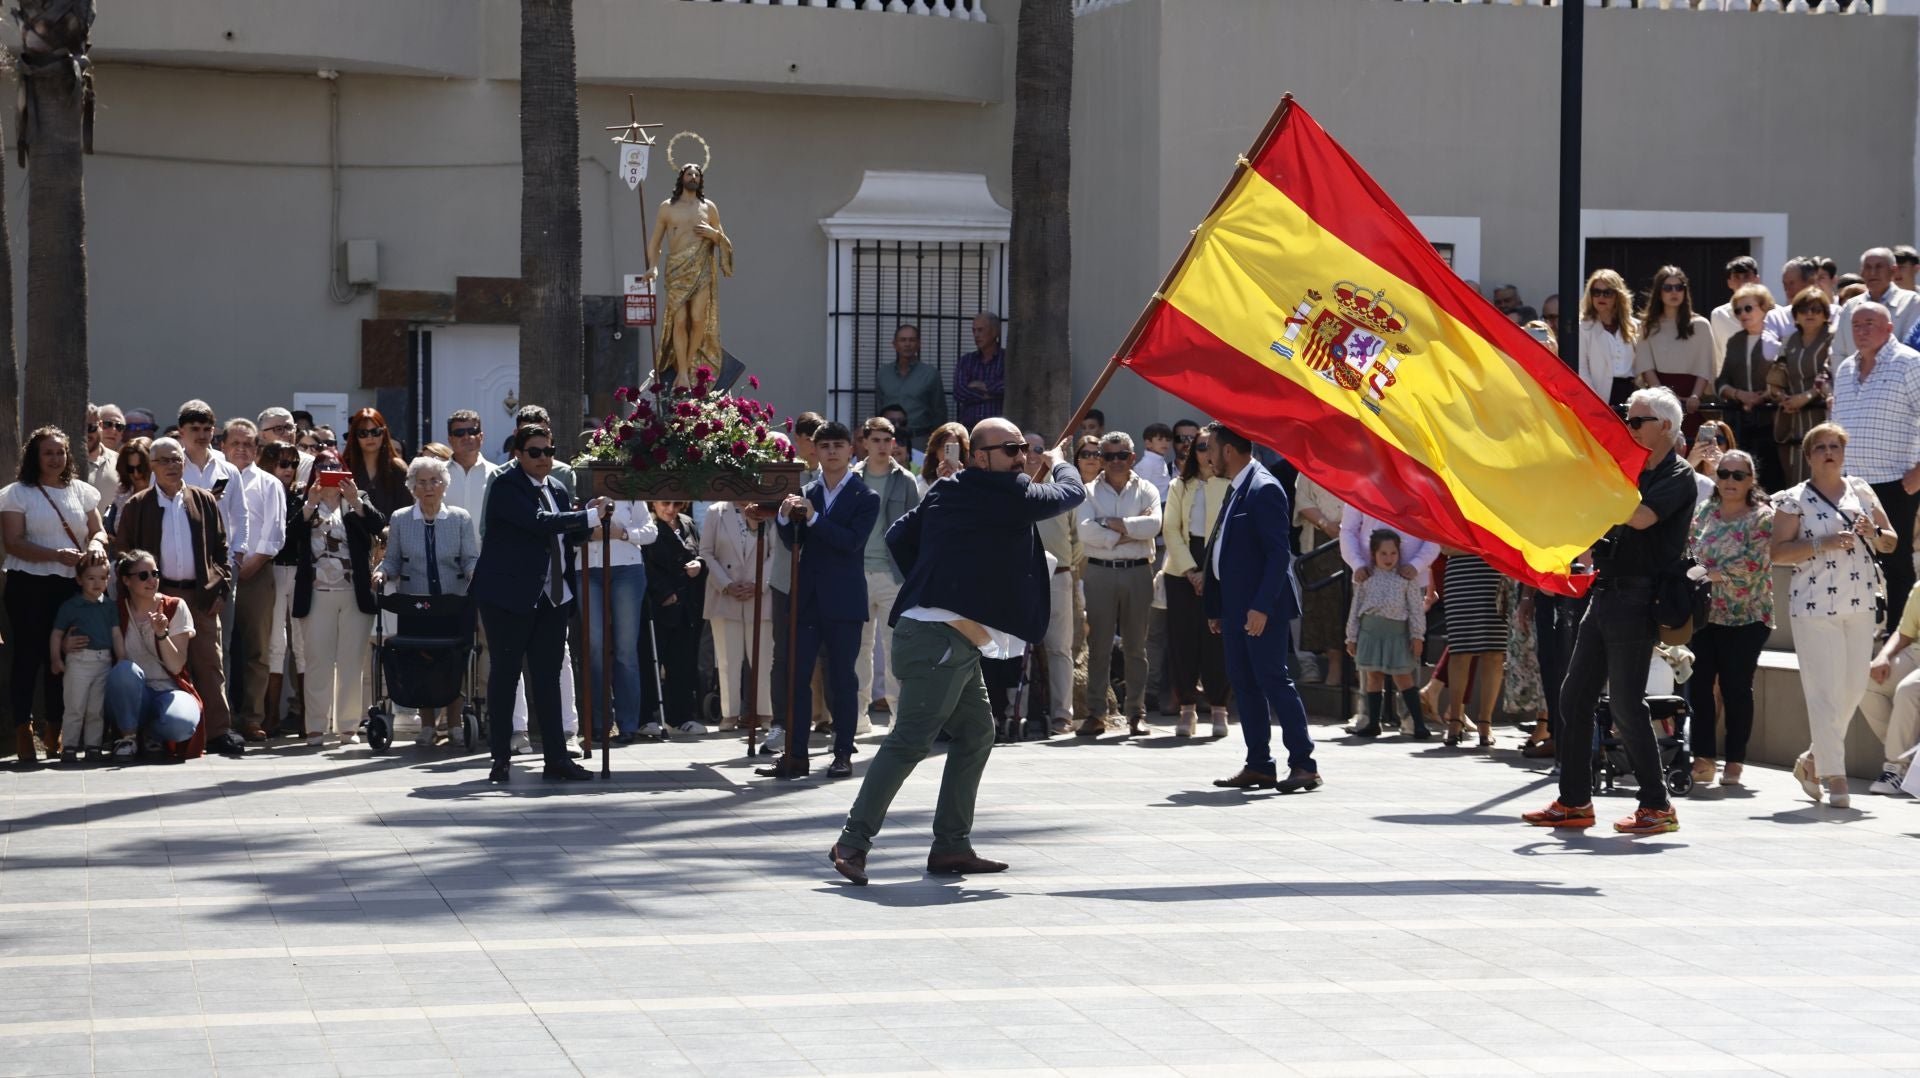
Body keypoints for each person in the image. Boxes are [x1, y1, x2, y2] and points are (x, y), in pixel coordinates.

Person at [826, 418, 1085, 886]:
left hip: (947, 637)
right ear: (980, 456)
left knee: (976, 734)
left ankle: (951, 847)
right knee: (910, 741)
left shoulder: (953, 489)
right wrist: (1062, 464)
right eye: (1011, 449)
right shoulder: (1002, 490)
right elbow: (1068, 494)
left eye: (1025, 448)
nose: (1022, 456)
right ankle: (852, 841)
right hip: (937, 638)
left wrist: (937, 579)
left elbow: (899, 538)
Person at [1523, 386, 1696, 835]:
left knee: (1625, 703)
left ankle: (1658, 805)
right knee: (1573, 696)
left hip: (1639, 597)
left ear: (1665, 427)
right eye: (1627, 419)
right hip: (1607, 592)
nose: (1628, 427)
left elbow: (1640, 518)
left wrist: (1602, 482)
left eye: (1636, 421)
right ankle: (1575, 800)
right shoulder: (1632, 473)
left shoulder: (1677, 474)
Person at [470, 424, 609, 784]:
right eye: (535, 452)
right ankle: (501, 758)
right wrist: (587, 517)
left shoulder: (558, 488)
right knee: (506, 675)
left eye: (549, 450)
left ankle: (556, 759)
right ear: (518, 453)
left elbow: (569, 532)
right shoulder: (505, 485)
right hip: (508, 597)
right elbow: (537, 523)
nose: (544, 458)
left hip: (553, 596)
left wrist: (590, 516)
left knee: (548, 678)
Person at [1772, 422, 1896, 810]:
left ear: (1843, 454)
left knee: (1854, 688)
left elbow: (1890, 541)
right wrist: (1820, 543)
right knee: (1824, 693)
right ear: (1809, 456)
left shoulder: (1861, 490)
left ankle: (1812, 761)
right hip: (1814, 606)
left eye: (1835, 447)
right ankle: (1835, 777)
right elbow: (1778, 552)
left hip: (1859, 601)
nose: (1829, 452)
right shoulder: (1794, 498)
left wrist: (1873, 530)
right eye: (1821, 447)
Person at [760, 422, 880, 780]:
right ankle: (795, 755)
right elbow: (789, 538)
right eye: (824, 445)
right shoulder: (805, 489)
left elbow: (850, 543)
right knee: (796, 676)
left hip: (844, 600)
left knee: (842, 679)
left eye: (838, 445)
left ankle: (842, 751)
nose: (831, 451)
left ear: (851, 450)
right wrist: (784, 516)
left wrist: (812, 518)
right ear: (814, 450)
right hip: (807, 597)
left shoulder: (865, 496)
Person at [1201, 424, 1316, 792]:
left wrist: (1261, 607)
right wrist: (1218, 607)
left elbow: (1277, 553)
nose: (1206, 456)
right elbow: (1225, 551)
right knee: (1245, 684)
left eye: (1210, 449)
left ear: (1229, 452)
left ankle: (1303, 764)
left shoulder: (1264, 488)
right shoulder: (1238, 488)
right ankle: (1260, 765)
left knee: (1273, 681)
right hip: (1235, 609)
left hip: (1259, 610)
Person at [114, 436, 244, 758]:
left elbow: (221, 550)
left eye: (176, 459)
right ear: (152, 466)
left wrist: (221, 586)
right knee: (159, 665)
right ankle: (145, 733)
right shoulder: (138, 505)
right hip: (155, 595)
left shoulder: (203, 500)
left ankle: (218, 730)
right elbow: (123, 553)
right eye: (164, 461)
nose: (172, 466)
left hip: (199, 596)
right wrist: (135, 592)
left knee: (210, 663)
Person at [3, 426, 109, 765]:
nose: (55, 459)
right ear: (34, 456)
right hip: (29, 584)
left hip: (69, 586)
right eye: (48, 452)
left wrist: (94, 544)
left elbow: (98, 531)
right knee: (28, 656)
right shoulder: (16, 494)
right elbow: (14, 543)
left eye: (60, 452)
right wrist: (54, 555)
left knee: (62, 657)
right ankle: (23, 727)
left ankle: (55, 727)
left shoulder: (83, 491)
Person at [375, 456, 480, 747]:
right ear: (412, 488)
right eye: (421, 482)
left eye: (435, 481)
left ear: (444, 485)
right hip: (415, 603)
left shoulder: (459, 518)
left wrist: (473, 571)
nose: (429, 487)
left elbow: (471, 557)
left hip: (452, 601)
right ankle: (428, 725)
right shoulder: (400, 518)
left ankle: (456, 722)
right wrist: (381, 572)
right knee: (420, 664)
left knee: (453, 661)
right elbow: (392, 560)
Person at [1684, 449, 1774, 789]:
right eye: (1724, 474)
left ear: (1751, 480)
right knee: (1702, 686)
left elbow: (1753, 566)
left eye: (1738, 475)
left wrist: (1706, 572)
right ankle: (1703, 757)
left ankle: (1735, 759)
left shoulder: (1763, 516)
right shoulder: (1705, 511)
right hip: (1706, 613)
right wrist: (1701, 573)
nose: (1729, 481)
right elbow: (1689, 549)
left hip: (1748, 616)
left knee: (1736, 688)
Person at [1828, 302, 1920, 627]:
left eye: (1870, 323)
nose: (1862, 331)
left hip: (1895, 481)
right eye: (1856, 325)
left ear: (1889, 328)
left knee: (1895, 564)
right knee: (1852, 561)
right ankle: (1861, 633)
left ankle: (1897, 641)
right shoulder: (1843, 369)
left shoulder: (1910, 363)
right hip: (1851, 485)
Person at [288, 458, 383, 748]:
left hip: (353, 593)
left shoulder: (357, 498)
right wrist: (309, 505)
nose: (328, 472)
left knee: (352, 663)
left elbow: (378, 525)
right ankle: (315, 727)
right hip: (317, 593)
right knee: (317, 661)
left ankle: (348, 727)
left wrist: (355, 500)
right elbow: (291, 539)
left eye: (334, 466)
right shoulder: (305, 500)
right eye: (322, 467)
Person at [1075, 431, 1163, 737]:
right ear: (1101, 458)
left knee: (1136, 646)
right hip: (1099, 572)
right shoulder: (1087, 492)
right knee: (1098, 645)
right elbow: (1085, 533)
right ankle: (1096, 713)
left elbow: (1154, 526)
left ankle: (1136, 713)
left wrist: (1109, 524)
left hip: (1139, 571)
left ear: (1132, 457)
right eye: (1108, 456)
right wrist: (1130, 529)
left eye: (1121, 455)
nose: (1115, 462)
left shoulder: (1148, 488)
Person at [747, 411, 823, 755]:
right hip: (785, 577)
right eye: (811, 439)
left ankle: (835, 724)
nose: (816, 448)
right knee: (783, 653)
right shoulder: (781, 472)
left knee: (832, 655)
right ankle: (780, 724)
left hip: (824, 578)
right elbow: (762, 511)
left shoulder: (835, 479)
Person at [1160, 427, 1230, 737]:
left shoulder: (1230, 484)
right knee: (1182, 641)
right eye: (1199, 447)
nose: (1203, 452)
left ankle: (1219, 708)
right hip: (1181, 570)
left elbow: (1229, 529)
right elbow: (1170, 530)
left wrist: (1208, 572)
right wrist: (1191, 570)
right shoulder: (1179, 485)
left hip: (1218, 566)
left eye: (1208, 447)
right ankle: (1186, 708)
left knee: (1216, 640)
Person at [852, 416, 922, 727]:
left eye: (888, 440)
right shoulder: (851, 478)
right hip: (856, 573)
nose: (883, 446)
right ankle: (857, 716)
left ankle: (898, 717)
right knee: (858, 648)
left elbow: (915, 529)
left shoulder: (906, 479)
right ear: (864, 442)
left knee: (895, 648)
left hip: (893, 575)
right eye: (877, 440)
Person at [102, 549, 202, 756]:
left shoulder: (175, 607)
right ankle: (128, 737)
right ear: (126, 580)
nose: (152, 580)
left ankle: (151, 733)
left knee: (181, 725)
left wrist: (161, 634)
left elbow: (176, 666)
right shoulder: (115, 610)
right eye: (143, 575)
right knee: (124, 671)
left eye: (155, 573)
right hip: (130, 695)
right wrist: (66, 642)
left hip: (167, 689)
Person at [223, 418, 286, 742]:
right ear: (224, 445)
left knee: (257, 650)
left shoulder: (269, 483)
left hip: (257, 573)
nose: (242, 449)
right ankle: (223, 717)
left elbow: (276, 532)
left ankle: (251, 717)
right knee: (221, 648)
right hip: (219, 573)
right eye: (236, 443)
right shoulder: (216, 478)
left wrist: (253, 562)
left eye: (248, 443)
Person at [647, 162, 734, 388]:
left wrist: (713, 234)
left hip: (701, 268)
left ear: (700, 180)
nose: (693, 176)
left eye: (697, 174)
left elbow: (724, 240)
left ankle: (689, 364)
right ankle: (683, 373)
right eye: (689, 173)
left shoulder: (709, 207)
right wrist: (652, 266)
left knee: (697, 319)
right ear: (681, 177)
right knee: (680, 320)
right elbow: (655, 242)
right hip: (676, 269)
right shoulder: (667, 207)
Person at [579, 496, 655, 745]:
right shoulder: (578, 485)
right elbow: (563, 532)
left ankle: (628, 723)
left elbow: (650, 531)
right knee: (594, 648)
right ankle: (599, 722)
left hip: (627, 569)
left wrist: (622, 533)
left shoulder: (628, 489)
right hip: (587, 568)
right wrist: (589, 535)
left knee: (625, 650)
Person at [1345, 529, 1429, 740]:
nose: (1389, 558)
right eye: (1383, 553)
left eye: (1393, 553)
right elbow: (1355, 610)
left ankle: (1417, 723)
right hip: (1370, 633)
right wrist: (1351, 637)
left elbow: (1415, 609)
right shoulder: (1365, 579)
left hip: (1396, 634)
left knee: (1403, 676)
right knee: (1374, 676)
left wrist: (1417, 635)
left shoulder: (1406, 579)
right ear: (1373, 554)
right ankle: (1373, 722)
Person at [700, 499, 773, 736]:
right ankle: (729, 714)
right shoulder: (715, 511)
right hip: (725, 594)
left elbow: (777, 552)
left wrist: (759, 584)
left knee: (763, 658)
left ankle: (766, 714)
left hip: (760, 594)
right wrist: (727, 584)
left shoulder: (768, 509)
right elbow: (706, 553)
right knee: (728, 659)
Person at [1025, 430, 1080, 737]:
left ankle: (1062, 714)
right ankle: (1012, 712)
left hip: (1058, 576)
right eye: (1025, 448)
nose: (1032, 454)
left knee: (1059, 648)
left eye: (1038, 448)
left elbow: (1077, 538)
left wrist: (1068, 568)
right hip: (1018, 579)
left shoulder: (1059, 491)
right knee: (1014, 649)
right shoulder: (1011, 489)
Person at [642, 500, 706, 736]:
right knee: (651, 660)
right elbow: (644, 561)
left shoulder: (688, 523)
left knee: (683, 662)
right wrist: (663, 592)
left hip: (687, 603)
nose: (670, 509)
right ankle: (646, 716)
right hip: (660, 602)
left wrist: (699, 564)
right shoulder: (648, 524)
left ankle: (681, 717)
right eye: (665, 503)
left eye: (676, 504)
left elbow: (701, 553)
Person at [50, 554, 121, 763]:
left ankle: (93, 746)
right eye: (91, 578)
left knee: (96, 708)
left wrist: (122, 659)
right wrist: (56, 658)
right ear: (79, 580)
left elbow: (116, 634)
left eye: (102, 577)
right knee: (74, 705)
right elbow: (56, 633)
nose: (97, 583)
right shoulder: (70, 607)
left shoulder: (109, 606)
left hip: (104, 662)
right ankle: (69, 745)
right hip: (79, 661)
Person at [1716, 282, 1786, 493]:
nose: (1742, 314)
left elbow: (1785, 376)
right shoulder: (1735, 341)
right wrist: (1739, 395)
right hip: (1740, 422)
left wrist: (1762, 397)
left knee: (1773, 479)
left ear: (1764, 308)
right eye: (1738, 310)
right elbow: (1722, 381)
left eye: (1748, 308)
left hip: (1772, 421)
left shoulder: (1779, 338)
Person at [1437, 552, 1507, 749]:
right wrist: (1482, 543)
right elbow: (1445, 546)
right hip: (1461, 575)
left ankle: (1485, 722)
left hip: (1495, 571)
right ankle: (1455, 720)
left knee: (1494, 652)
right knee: (1460, 650)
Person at [258, 442, 305, 736]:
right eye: (282, 463)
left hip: (299, 571)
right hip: (272, 570)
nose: (288, 469)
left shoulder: (301, 496)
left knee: (302, 643)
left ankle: (305, 717)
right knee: (276, 643)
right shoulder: (263, 492)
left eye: (293, 463)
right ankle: (271, 714)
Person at [1633, 266, 1717, 429]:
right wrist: (1666, 398)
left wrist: (1694, 396)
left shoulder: (1701, 325)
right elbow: (1646, 368)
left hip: (1693, 403)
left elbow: (1705, 367)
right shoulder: (1648, 326)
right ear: (1659, 292)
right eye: (1667, 288)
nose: (1674, 292)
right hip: (1660, 401)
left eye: (1679, 287)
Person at [1861, 582, 1920, 798]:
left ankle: (1896, 767)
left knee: (1908, 690)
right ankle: (1912, 757)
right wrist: (1882, 656)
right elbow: (1904, 633)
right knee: (1866, 683)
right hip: (1915, 654)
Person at [1775, 286, 1834, 487]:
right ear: (1796, 315)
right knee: (1794, 472)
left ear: (1826, 314)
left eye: (1816, 309)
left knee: (1822, 464)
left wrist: (1808, 396)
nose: (1810, 314)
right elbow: (1778, 370)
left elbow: (1830, 371)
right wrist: (1781, 395)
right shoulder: (1790, 340)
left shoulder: (1831, 337)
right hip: (1792, 417)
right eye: (1804, 310)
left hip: (1821, 414)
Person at [1837, 248, 1920, 356]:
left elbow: (1911, 349)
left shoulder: (1912, 302)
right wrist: (1848, 372)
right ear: (1861, 272)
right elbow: (1838, 352)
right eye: (1868, 267)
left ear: (1893, 270)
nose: (1872, 272)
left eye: (1879, 267)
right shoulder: (1850, 306)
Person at [873, 323, 946, 440]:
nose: (907, 344)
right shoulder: (883, 374)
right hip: (889, 439)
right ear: (894, 344)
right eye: (903, 340)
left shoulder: (930, 374)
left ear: (918, 344)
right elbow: (879, 409)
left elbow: (939, 413)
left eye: (912, 340)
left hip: (919, 439)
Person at [344, 407, 410, 519]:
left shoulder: (398, 468)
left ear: (384, 433)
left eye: (375, 432)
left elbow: (407, 509)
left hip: (392, 533)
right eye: (363, 433)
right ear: (355, 437)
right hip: (352, 534)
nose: (370, 437)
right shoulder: (345, 467)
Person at [953, 311, 1006, 428]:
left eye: (981, 330)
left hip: (999, 428)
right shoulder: (967, 361)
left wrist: (983, 386)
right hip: (970, 428)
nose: (976, 335)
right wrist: (989, 395)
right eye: (974, 330)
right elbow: (959, 392)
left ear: (995, 332)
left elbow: (1008, 387)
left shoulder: (1006, 360)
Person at [1708, 256, 1762, 355]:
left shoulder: (1775, 313)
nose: (1742, 283)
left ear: (1757, 279)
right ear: (1729, 283)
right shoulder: (1719, 315)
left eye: (1746, 276)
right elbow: (1717, 356)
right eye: (1736, 277)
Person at [1134, 423, 1176, 501]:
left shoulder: (1159, 460)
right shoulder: (1147, 463)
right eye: (1160, 439)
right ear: (1148, 443)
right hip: (1154, 505)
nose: (1165, 443)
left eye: (1168, 440)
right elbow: (1142, 489)